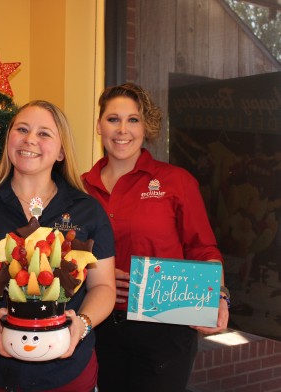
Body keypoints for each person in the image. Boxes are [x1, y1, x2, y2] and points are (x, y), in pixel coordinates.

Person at [0, 100, 116, 391]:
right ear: (9, 139)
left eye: (44, 133)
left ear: (60, 150)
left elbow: (103, 287)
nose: (30, 139)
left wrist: (81, 325)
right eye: (21, 129)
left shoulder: (88, 210)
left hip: (66, 373)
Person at [82, 83, 230, 392]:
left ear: (146, 127)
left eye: (133, 119)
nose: (123, 129)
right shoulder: (79, 188)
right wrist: (95, 273)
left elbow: (202, 247)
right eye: (113, 119)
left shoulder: (176, 181)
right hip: (98, 325)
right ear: (99, 125)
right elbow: (64, 257)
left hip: (166, 327)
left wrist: (219, 295)